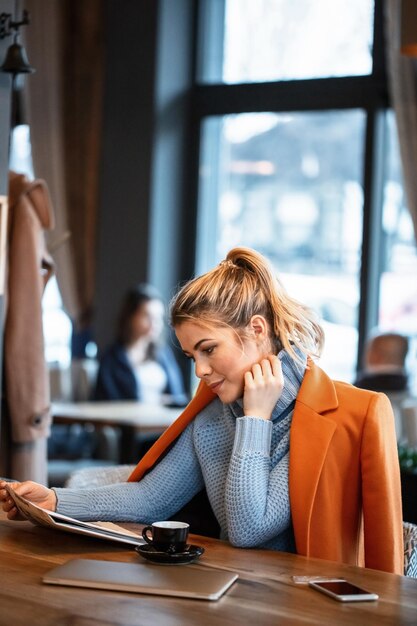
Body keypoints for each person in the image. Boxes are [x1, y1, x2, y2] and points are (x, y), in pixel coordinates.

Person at [0, 247, 403, 574]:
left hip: (305, 610)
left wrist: (256, 418)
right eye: (192, 355)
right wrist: (53, 501)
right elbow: (150, 498)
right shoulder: (213, 417)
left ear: (257, 331)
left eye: (208, 349)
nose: (200, 370)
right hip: (233, 592)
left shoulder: (328, 418)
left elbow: (249, 529)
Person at [94, 283, 188, 407]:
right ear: (130, 317)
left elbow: (178, 395)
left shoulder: (163, 354)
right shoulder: (112, 358)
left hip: (162, 423)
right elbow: (105, 402)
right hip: (128, 424)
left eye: (158, 318)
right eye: (147, 316)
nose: (155, 323)